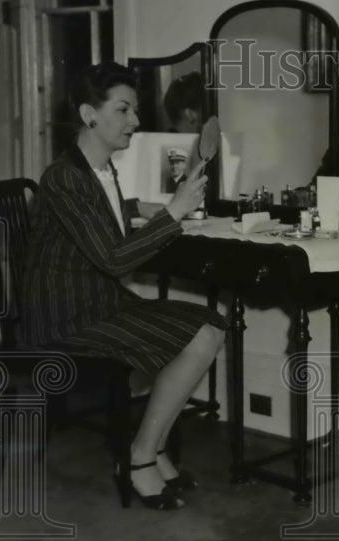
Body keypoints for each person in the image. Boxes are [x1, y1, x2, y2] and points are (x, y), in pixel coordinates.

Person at [21, 61, 227, 511]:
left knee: (212, 327)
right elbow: (114, 260)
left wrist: (147, 205)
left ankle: (151, 448)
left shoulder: (100, 169)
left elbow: (106, 209)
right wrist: (173, 212)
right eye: (123, 110)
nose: (135, 121)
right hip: (66, 318)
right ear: (89, 114)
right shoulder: (62, 177)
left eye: (134, 110)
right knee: (198, 337)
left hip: (99, 302)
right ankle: (139, 458)